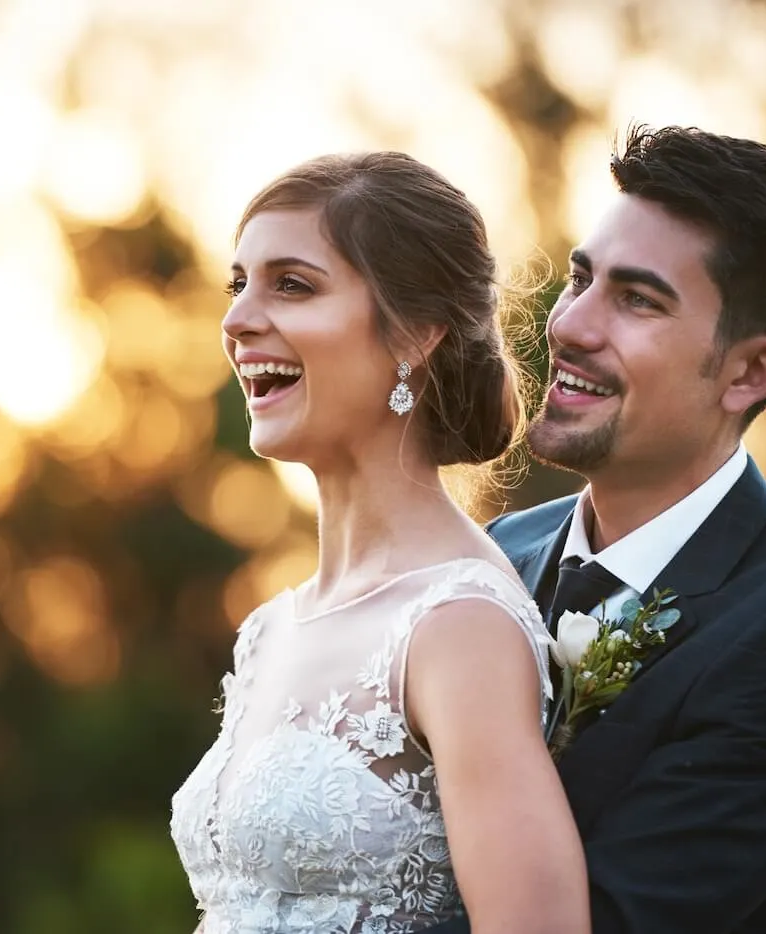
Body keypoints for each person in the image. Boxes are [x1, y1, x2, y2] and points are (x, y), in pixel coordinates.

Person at [427, 125, 766, 934]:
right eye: (581, 279)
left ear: (750, 372)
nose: (569, 325)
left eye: (637, 299)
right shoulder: (498, 552)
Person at [170, 152, 590, 932]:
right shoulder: (271, 628)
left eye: (291, 284)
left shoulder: (458, 622)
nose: (237, 320)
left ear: (414, 334)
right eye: (239, 285)